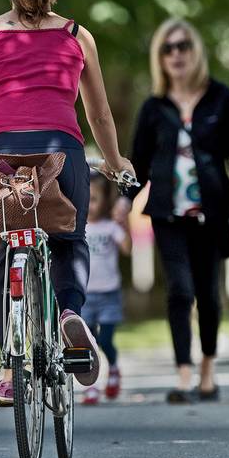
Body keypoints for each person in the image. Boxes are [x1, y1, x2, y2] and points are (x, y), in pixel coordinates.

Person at [0, 0, 135, 406]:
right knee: (68, 238)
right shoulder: (77, 36)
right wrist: (116, 162)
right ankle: (70, 315)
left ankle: (5, 367)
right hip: (61, 147)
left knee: (5, 248)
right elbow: (99, 115)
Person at [125, 18, 229, 404]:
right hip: (168, 215)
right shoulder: (153, 108)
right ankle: (183, 373)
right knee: (180, 291)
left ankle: (207, 371)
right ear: (159, 58)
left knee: (208, 294)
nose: (176, 54)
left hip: (213, 214)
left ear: (195, 51)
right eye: (168, 48)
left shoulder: (221, 98)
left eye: (183, 46)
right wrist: (121, 203)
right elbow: (139, 164)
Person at [81, 174, 130, 406]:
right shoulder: (78, 228)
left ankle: (113, 369)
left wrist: (124, 224)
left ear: (105, 200)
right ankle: (91, 386)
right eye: (85, 199)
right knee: (87, 342)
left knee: (106, 340)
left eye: (94, 199)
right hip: (85, 295)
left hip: (109, 293)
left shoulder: (110, 227)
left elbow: (127, 248)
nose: (89, 205)